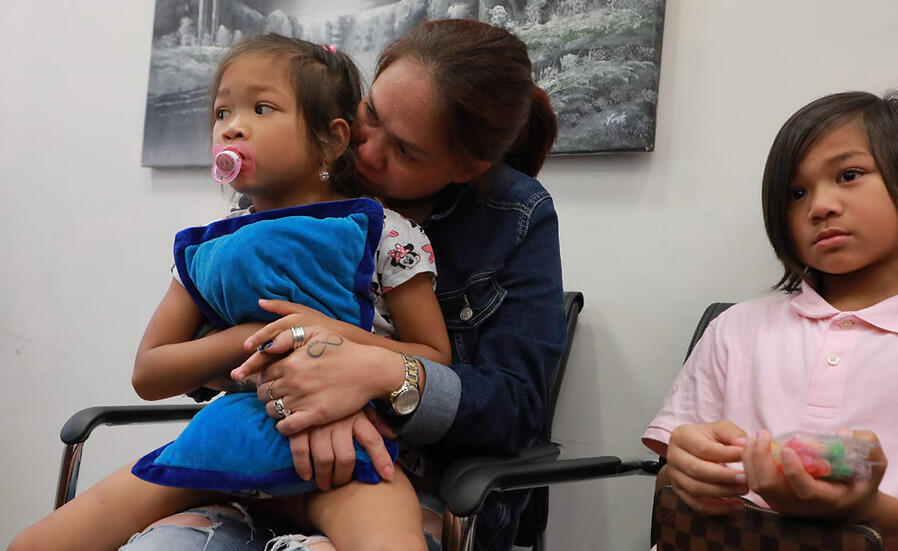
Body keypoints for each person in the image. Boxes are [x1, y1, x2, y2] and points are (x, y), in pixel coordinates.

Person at [97, 18, 567, 551]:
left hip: (410, 482)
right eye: (371, 117)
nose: (365, 154)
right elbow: (190, 355)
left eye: (406, 151)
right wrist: (277, 358)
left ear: (465, 166)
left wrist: (375, 369)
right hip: (254, 457)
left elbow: (513, 406)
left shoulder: (510, 216)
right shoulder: (288, 190)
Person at [9, 34, 450, 551]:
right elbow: (150, 373)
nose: (232, 126)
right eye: (222, 112)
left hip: (342, 455)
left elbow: (433, 357)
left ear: (331, 139)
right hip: (226, 449)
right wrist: (246, 338)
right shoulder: (212, 250)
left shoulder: (389, 234)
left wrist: (336, 341)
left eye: (262, 108)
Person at [643, 91, 898, 550]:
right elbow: (666, 491)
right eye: (797, 193)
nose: (820, 206)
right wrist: (686, 475)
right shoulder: (736, 329)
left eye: (849, 175)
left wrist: (870, 513)